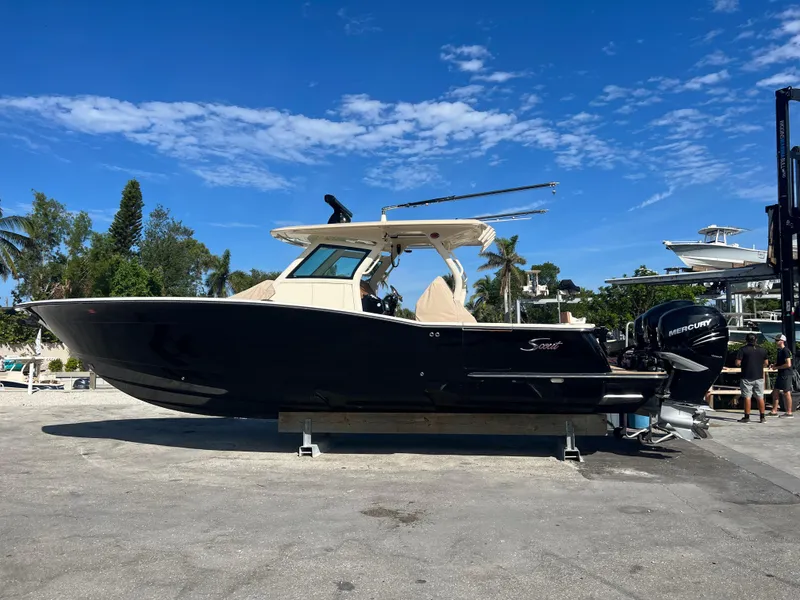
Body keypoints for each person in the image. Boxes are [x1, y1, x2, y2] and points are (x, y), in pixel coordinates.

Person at [735, 333, 769, 423]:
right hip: (759, 376)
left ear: (746, 340)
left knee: (747, 397)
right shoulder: (762, 350)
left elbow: (738, 363)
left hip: (746, 376)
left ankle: (747, 417)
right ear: (756, 340)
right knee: (760, 397)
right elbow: (766, 363)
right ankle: (762, 417)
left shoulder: (742, 350)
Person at [769, 334, 794, 418]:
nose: (775, 342)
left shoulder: (785, 351)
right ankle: (774, 410)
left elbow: (788, 364)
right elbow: (781, 362)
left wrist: (776, 367)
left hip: (786, 374)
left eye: (777, 340)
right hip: (781, 373)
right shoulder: (780, 350)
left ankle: (789, 412)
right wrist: (774, 365)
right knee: (775, 391)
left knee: (786, 392)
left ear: (782, 341)